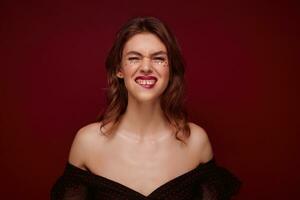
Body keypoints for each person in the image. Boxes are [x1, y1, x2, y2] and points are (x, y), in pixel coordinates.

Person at [51, 17, 241, 200]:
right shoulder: (87, 143)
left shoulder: (196, 142)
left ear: (171, 69)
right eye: (134, 58)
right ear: (119, 69)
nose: (146, 67)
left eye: (158, 58)